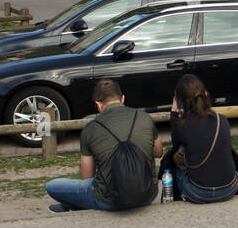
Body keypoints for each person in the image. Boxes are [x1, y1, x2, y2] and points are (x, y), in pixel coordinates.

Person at [46, 78, 162, 212]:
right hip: (148, 195)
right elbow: (158, 152)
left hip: (109, 201)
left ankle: (69, 206)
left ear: (98, 104)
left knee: (52, 186)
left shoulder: (90, 129)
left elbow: (87, 177)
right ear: (122, 98)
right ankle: (69, 206)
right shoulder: (144, 117)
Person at [167, 74, 238, 203]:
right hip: (229, 188)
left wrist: (173, 113)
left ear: (179, 101)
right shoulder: (221, 120)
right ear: (205, 94)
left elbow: (175, 146)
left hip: (198, 193)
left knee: (177, 159)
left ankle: (178, 196)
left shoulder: (182, 126)